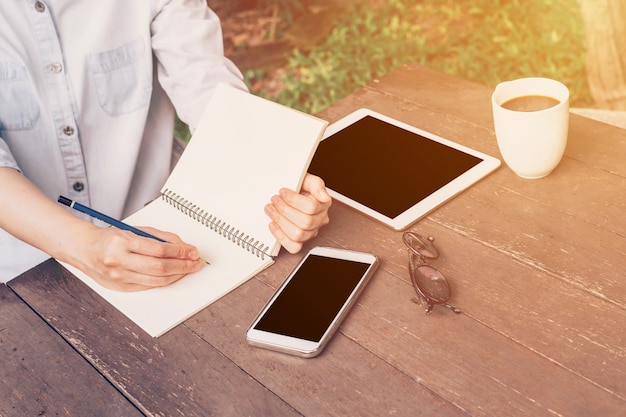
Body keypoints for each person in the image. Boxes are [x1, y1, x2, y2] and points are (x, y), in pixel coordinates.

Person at [0, 1, 331, 291]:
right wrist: (84, 246)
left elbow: (205, 83)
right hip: (26, 273)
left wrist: (273, 173)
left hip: (168, 237)